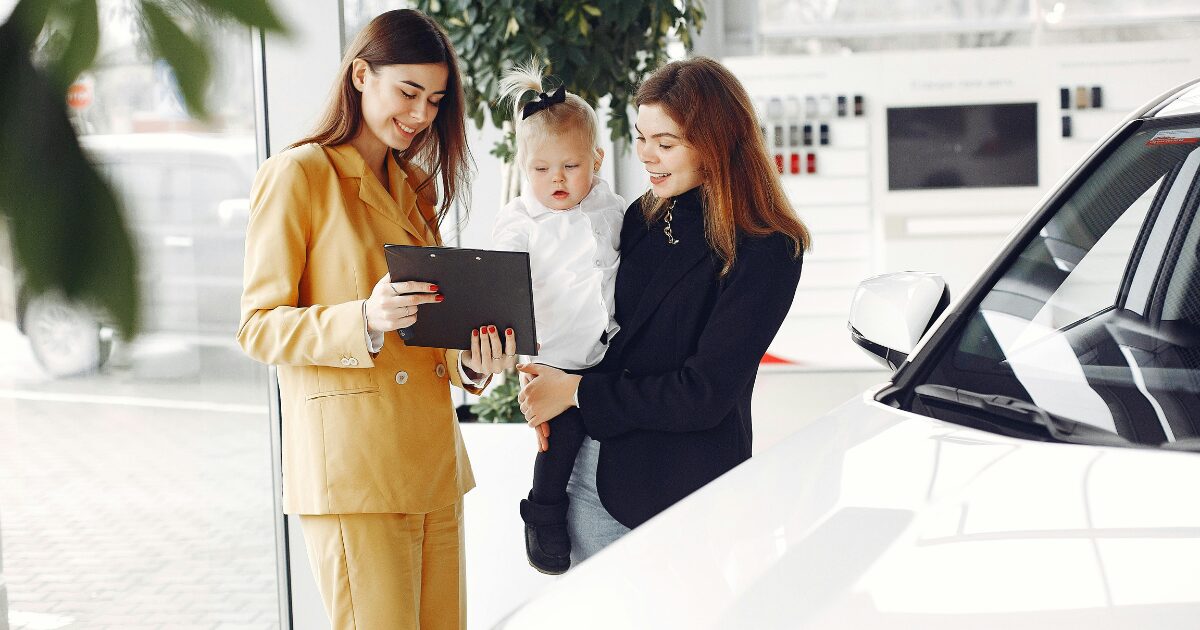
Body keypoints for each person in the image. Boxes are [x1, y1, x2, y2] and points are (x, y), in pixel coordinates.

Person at [236, 10, 515, 630]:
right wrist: (363, 318)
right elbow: (257, 325)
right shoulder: (299, 175)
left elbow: (431, 322)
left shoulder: (412, 184)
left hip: (433, 467)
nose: (420, 116)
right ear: (361, 75)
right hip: (355, 472)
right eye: (408, 92)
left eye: (435, 101)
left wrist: (471, 360)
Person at [517, 56, 810, 564]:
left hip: (683, 492)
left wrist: (576, 391)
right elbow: (604, 332)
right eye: (642, 137)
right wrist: (547, 376)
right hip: (591, 475)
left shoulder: (767, 248)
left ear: (715, 143)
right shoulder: (644, 215)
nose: (648, 157)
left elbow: (705, 393)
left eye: (666, 144)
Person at [490, 62, 626, 574]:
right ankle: (543, 512)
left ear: (596, 158)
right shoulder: (522, 220)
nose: (557, 181)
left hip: (609, 350)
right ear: (525, 169)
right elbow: (501, 275)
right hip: (554, 356)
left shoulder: (610, 207)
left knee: (609, 424)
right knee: (560, 436)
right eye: (541, 170)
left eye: (570, 166)